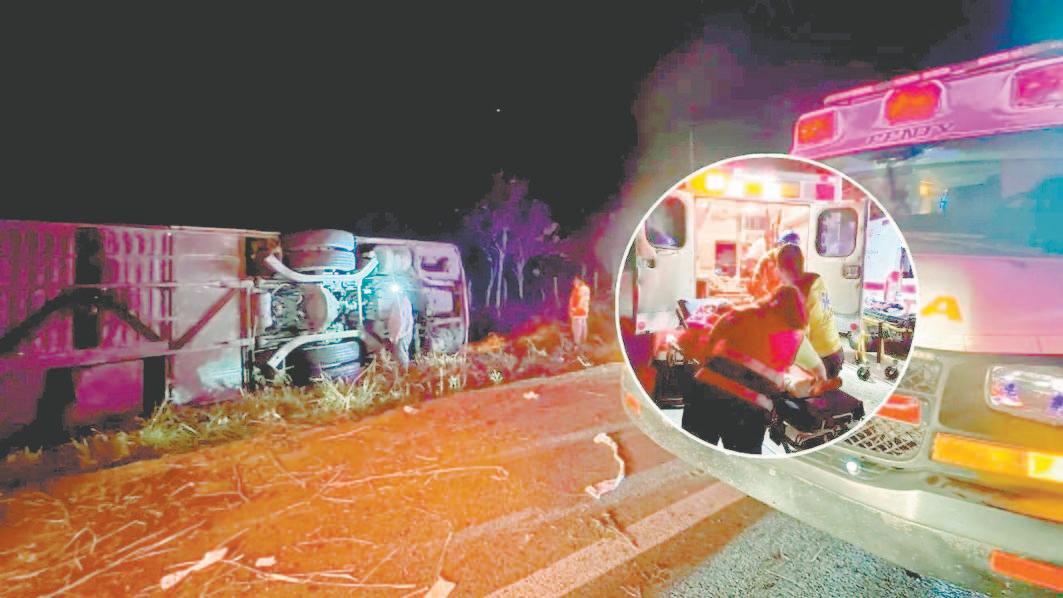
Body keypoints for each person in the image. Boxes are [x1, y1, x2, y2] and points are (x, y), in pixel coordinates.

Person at [676, 285, 810, 454]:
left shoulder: (734, 315)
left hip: (705, 396)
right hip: (746, 411)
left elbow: (706, 351)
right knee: (743, 463)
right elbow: (777, 372)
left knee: (694, 458)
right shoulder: (795, 334)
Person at [775, 243, 845, 379]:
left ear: (780, 269)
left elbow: (796, 338)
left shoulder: (797, 292)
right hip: (836, 352)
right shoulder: (815, 279)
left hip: (822, 360)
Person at [387, 290, 414, 370]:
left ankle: (404, 373)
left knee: (401, 354)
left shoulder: (402, 303)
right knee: (401, 354)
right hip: (402, 334)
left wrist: (397, 336)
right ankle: (402, 372)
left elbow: (401, 321)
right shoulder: (402, 302)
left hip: (402, 335)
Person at [568, 276, 591, 346]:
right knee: (580, 327)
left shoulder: (582, 289)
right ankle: (580, 343)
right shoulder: (577, 289)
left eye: (576, 280)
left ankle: (578, 344)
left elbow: (582, 301)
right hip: (578, 312)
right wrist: (571, 310)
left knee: (578, 329)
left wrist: (575, 309)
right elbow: (572, 300)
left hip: (579, 313)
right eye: (574, 280)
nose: (574, 282)